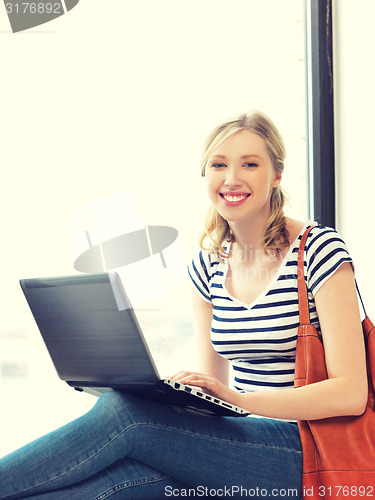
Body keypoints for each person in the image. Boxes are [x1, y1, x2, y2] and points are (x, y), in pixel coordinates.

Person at [0, 112, 367, 500]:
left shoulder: (319, 250)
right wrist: (181, 395)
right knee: (110, 483)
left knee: (124, 415)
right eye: (219, 164)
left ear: (276, 175)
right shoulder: (208, 265)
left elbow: (350, 392)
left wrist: (242, 401)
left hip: (307, 450)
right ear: (205, 175)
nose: (232, 178)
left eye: (250, 164)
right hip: (240, 443)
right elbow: (216, 396)